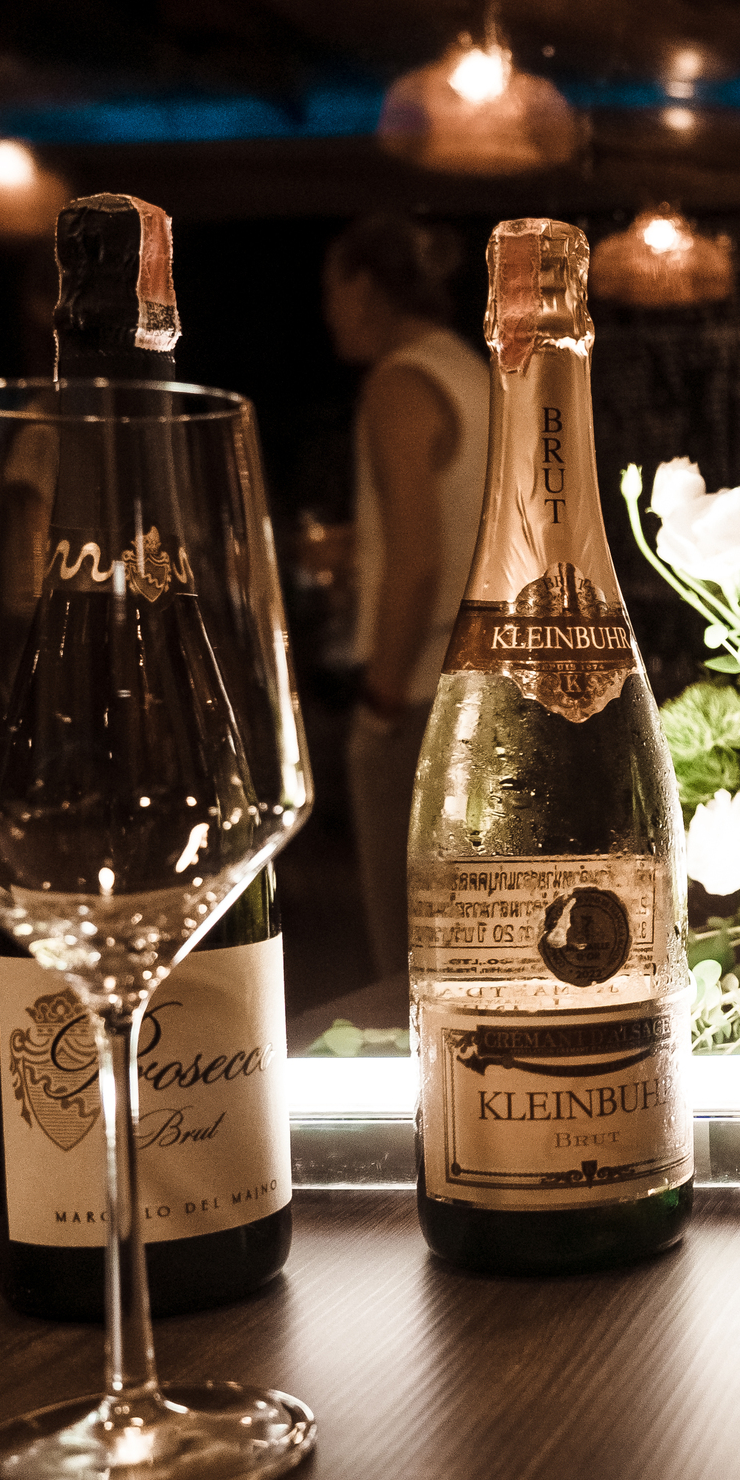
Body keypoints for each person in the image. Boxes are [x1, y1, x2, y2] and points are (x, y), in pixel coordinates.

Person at [325, 215, 489, 979]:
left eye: (331, 289)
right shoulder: (473, 372)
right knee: (476, 943)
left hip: (422, 695)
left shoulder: (399, 383)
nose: (329, 312)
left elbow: (419, 563)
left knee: (408, 959)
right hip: (488, 688)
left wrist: (380, 703)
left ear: (363, 287)